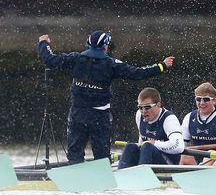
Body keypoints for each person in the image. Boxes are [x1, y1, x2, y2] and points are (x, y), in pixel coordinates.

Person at [37, 31, 175, 164]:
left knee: (75, 155)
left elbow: (49, 60)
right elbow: (138, 73)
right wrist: (162, 66)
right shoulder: (111, 64)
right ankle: (103, 181)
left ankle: (76, 176)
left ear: (88, 44)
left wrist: (44, 44)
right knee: (102, 158)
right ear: (105, 47)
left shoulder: (75, 59)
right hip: (100, 117)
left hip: (78, 115)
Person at [118, 87, 184, 169]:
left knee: (147, 147)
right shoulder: (139, 115)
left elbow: (179, 146)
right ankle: (120, 177)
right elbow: (141, 140)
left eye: (147, 107)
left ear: (158, 105)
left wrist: (155, 143)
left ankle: (141, 176)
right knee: (130, 147)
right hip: (148, 158)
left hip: (168, 164)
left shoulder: (169, 119)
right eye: (140, 107)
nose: (143, 111)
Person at [180, 82, 216, 166]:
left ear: (214, 100)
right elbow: (181, 146)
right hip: (196, 163)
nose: (201, 103)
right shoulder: (189, 117)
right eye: (198, 99)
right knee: (183, 156)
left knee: (212, 155)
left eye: (205, 99)